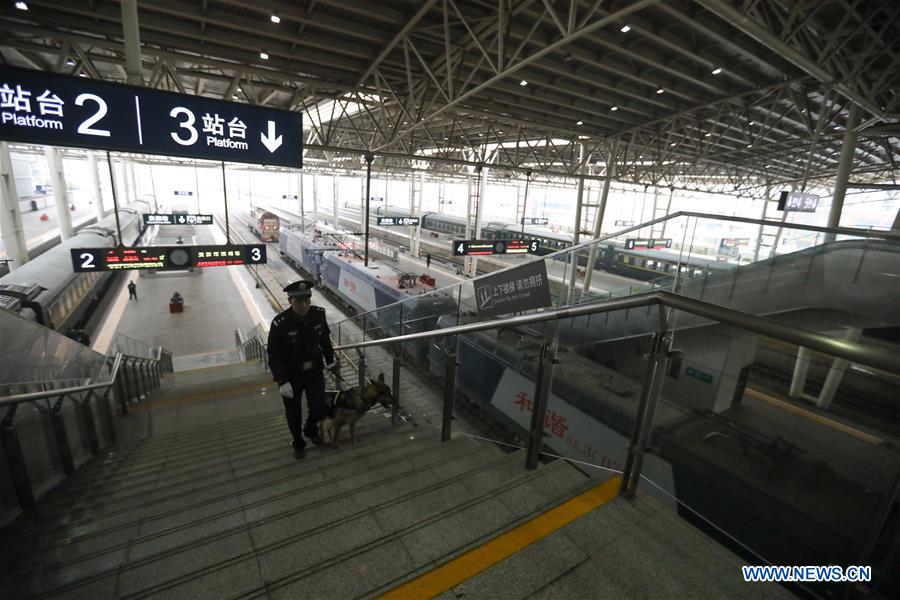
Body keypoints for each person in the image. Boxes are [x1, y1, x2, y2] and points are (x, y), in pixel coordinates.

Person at [267, 280, 336, 459]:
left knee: (319, 406)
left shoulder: (318, 314)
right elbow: (274, 355)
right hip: (291, 376)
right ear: (290, 301)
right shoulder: (280, 323)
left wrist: (330, 359)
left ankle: (311, 429)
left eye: (307, 300)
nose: (304, 305)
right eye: (299, 301)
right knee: (293, 412)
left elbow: (325, 339)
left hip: (314, 371)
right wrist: (281, 381)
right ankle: (298, 442)